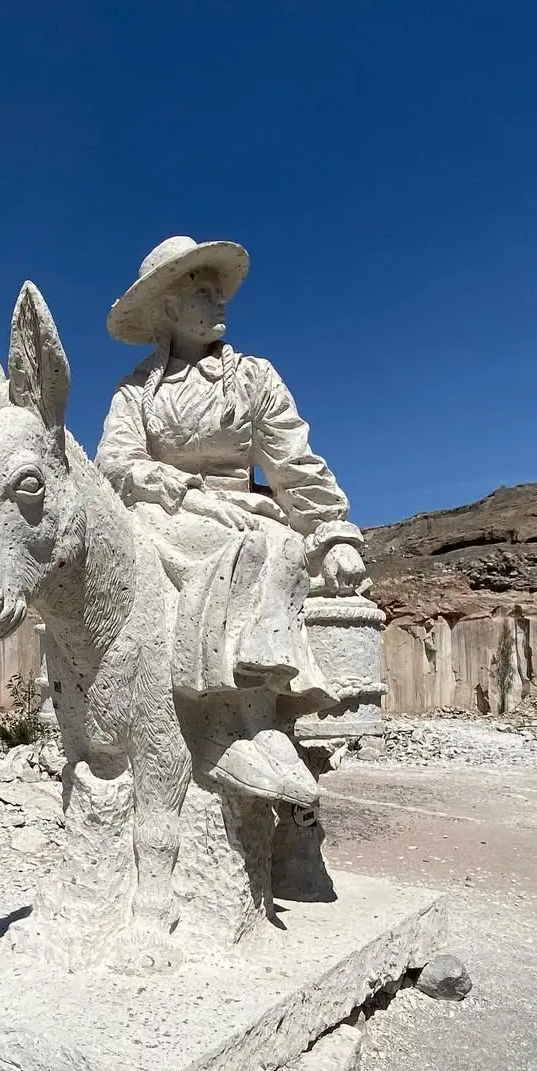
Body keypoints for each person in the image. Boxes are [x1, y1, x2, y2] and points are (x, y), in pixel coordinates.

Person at [96, 235, 368, 807]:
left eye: (221, 292)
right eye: (203, 292)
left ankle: (256, 715)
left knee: (280, 548)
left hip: (241, 509)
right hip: (160, 510)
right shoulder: (134, 392)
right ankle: (220, 722)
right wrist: (158, 479)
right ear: (168, 306)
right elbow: (113, 461)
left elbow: (294, 461)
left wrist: (334, 533)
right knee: (232, 552)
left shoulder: (253, 378)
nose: (220, 303)